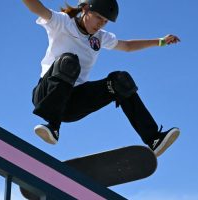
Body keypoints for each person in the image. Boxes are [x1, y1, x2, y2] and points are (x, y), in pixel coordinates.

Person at [22, 0, 180, 157]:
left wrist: (160, 42)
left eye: (105, 21)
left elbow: (127, 46)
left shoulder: (100, 37)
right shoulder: (63, 22)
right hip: (46, 95)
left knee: (120, 81)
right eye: (98, 17)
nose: (100, 24)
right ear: (85, 9)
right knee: (69, 61)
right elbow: (37, 8)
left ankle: (153, 139)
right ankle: (53, 126)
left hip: (72, 105)